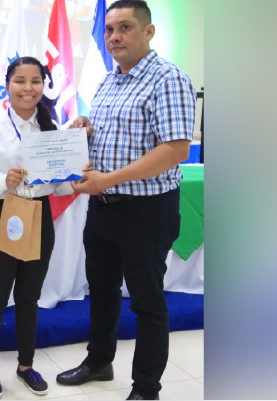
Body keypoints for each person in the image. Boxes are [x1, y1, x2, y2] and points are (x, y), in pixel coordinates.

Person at [55, 1, 195, 400]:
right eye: (110, 29)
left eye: (125, 28)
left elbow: (175, 150)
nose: (114, 36)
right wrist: (86, 126)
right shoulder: (108, 79)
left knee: (147, 303)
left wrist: (108, 180)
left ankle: (146, 388)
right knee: (101, 291)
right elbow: (120, 136)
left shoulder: (167, 79)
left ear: (148, 32)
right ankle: (99, 361)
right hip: (103, 208)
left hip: (146, 211)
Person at [0, 56, 82, 399]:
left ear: (43, 86)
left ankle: (26, 365)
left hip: (39, 216)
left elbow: (59, 187)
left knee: (30, 298)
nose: (27, 88)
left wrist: (74, 176)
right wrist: (4, 180)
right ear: (8, 85)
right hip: (2, 214)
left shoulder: (53, 131)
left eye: (35, 81)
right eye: (20, 80)